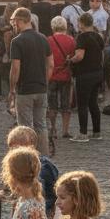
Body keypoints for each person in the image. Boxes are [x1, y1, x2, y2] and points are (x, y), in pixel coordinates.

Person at [8, 8, 53, 156]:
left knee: (25, 127)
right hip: (41, 88)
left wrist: (12, 88)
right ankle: (44, 158)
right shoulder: (43, 38)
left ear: (19, 21)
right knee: (41, 125)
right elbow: (51, 64)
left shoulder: (17, 41)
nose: (13, 25)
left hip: (25, 89)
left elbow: (15, 68)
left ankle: (27, 157)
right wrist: (44, 81)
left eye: (13, 22)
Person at [69, 13, 105, 143]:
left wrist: (70, 61)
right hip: (97, 73)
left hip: (85, 74)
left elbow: (79, 56)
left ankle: (83, 133)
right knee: (93, 103)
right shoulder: (98, 36)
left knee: (82, 104)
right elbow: (101, 55)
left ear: (82, 23)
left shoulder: (82, 37)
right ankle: (97, 132)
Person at [45, 16, 77, 144]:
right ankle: (65, 130)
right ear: (65, 26)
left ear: (53, 26)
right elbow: (74, 57)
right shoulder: (71, 40)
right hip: (66, 75)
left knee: (52, 105)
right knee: (66, 105)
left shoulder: (48, 40)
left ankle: (53, 129)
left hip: (51, 75)